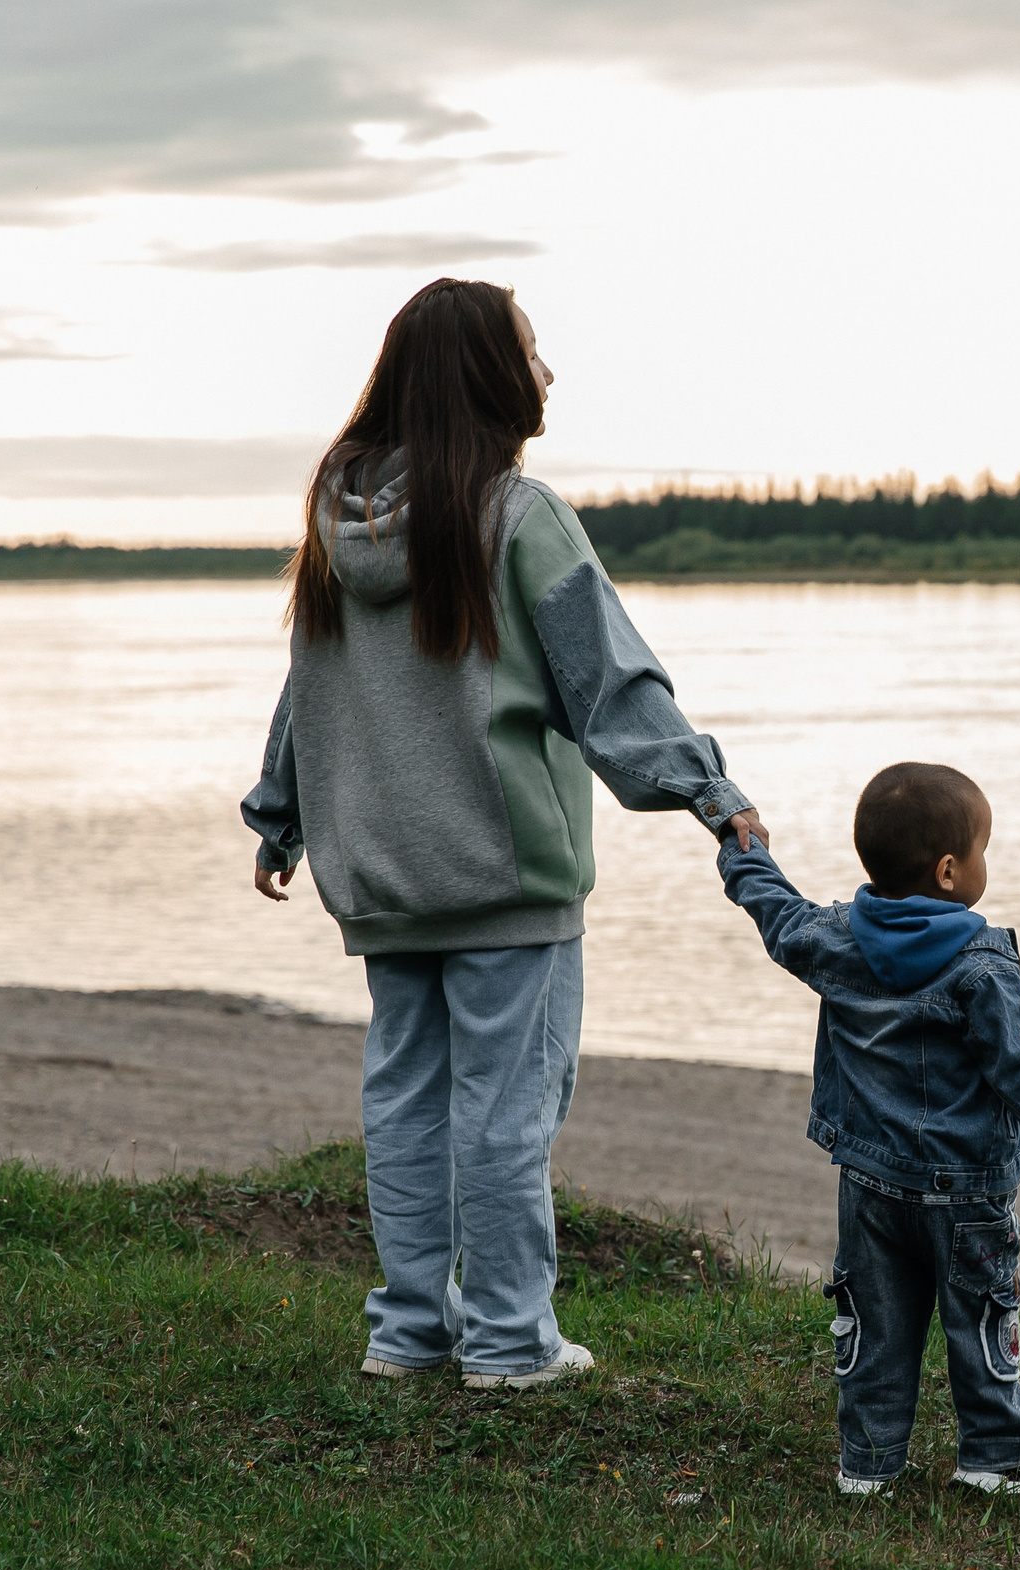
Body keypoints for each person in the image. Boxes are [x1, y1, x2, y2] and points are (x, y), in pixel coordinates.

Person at [241, 277, 766, 1391]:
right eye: (532, 350)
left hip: (381, 872)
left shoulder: (334, 523)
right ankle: (510, 1340)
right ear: (487, 374)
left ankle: (408, 1330)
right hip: (503, 869)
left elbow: (309, 684)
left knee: (406, 1102)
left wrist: (279, 813)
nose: (547, 371)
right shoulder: (518, 515)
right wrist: (708, 790)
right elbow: (607, 679)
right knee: (503, 1111)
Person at [716, 761, 1020, 1495]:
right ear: (950, 871)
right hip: (966, 1190)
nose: (986, 863)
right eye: (983, 850)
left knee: (875, 1324)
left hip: (871, 1180)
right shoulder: (980, 967)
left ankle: (869, 1466)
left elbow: (773, 909)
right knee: (980, 1320)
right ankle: (994, 1459)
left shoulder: (832, 939)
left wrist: (741, 846)